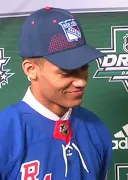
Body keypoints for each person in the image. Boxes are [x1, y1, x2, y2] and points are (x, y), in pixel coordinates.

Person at [0, 7, 112, 180]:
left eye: (84, 68)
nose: (81, 81)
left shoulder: (95, 128)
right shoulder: (6, 132)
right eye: (67, 71)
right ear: (31, 70)